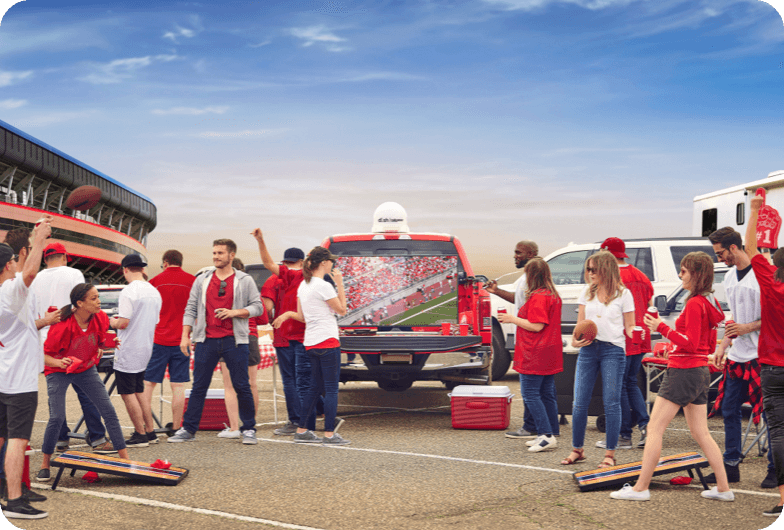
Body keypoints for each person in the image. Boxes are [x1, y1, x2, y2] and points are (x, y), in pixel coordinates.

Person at [611, 251, 732, 502]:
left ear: (696, 274)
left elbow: (690, 343)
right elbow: (703, 345)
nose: (680, 275)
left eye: (684, 271)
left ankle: (641, 488)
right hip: (699, 371)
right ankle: (723, 488)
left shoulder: (696, 303)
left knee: (655, 428)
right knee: (701, 432)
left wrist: (661, 328)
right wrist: (672, 345)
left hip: (685, 371)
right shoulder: (711, 302)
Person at [37, 283, 132, 489]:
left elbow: (97, 341)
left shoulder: (101, 318)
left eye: (98, 297)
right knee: (57, 416)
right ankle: (45, 463)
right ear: (79, 303)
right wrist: (59, 363)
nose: (99, 302)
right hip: (58, 370)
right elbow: (43, 356)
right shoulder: (62, 325)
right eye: (94, 298)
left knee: (108, 410)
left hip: (85, 369)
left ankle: (125, 460)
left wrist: (107, 345)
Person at [168, 239, 264, 445]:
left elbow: (258, 307)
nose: (216, 257)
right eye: (214, 253)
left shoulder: (244, 280)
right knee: (199, 386)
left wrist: (235, 312)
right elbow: (190, 309)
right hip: (206, 340)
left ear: (231, 255)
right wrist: (185, 335)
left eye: (220, 253)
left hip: (235, 340)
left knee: (242, 385)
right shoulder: (202, 280)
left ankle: (248, 429)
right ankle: (189, 429)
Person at [31, 240, 110, 452]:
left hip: (47, 338)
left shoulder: (36, 278)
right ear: (65, 257)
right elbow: (82, 305)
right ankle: (98, 438)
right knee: (86, 390)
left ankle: (60, 438)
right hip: (73, 337)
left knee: (56, 394)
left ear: (45, 259)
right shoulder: (74, 274)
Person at [707, 227, 771, 486]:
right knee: (729, 408)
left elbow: (776, 314)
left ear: (734, 247)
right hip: (738, 354)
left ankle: (775, 469)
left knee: (770, 414)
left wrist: (747, 328)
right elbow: (736, 317)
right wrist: (723, 344)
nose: (720, 258)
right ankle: (731, 465)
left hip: (762, 354)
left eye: (721, 253)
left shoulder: (762, 275)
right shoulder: (730, 277)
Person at [562, 250, 635, 467]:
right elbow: (580, 323)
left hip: (613, 349)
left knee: (611, 403)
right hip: (588, 349)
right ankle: (577, 449)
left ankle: (609, 455)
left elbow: (630, 326)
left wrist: (637, 333)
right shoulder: (587, 292)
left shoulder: (624, 294)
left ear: (606, 269)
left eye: (594, 269)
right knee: (579, 403)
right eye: (588, 269)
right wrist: (574, 341)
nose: (590, 273)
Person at [272, 244, 349, 445]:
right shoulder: (323, 285)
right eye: (330, 260)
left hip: (311, 342)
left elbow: (302, 317)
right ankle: (330, 434)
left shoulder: (303, 285)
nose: (333, 263)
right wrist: (340, 284)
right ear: (324, 263)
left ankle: (302, 430)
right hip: (328, 340)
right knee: (331, 389)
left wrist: (287, 314)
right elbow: (342, 310)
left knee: (313, 388)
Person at [0, 219, 51, 519]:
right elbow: (30, 272)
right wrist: (40, 237)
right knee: (18, 440)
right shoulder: (8, 294)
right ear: (8, 264)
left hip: (4, 376)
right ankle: (15, 502)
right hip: (18, 380)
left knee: (4, 438)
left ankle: (7, 489)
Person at [497, 258, 562, 453]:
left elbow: (536, 325)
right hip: (550, 350)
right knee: (547, 392)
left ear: (531, 275)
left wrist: (512, 319)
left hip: (535, 351)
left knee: (531, 394)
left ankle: (545, 435)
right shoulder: (552, 294)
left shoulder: (539, 297)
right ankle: (551, 430)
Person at [745, 192, 784, 517]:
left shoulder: (771, 283)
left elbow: (750, 250)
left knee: (780, 431)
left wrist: (755, 210)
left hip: (773, 367)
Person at [258, 246, 322, 436]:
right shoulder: (309, 278)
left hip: (284, 335)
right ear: (301, 262)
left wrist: (269, 318)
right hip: (307, 334)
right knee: (306, 378)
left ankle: (295, 420)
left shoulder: (274, 279)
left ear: (283, 262)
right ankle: (318, 411)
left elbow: (266, 309)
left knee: (290, 380)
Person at [599, 237, 653, 449]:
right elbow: (649, 302)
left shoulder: (611, 278)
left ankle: (623, 435)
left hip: (621, 337)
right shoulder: (641, 275)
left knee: (620, 385)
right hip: (639, 335)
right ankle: (646, 427)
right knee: (630, 382)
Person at [484, 240, 541, 439]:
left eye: (519, 252)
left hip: (530, 338)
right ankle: (545, 427)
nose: (515, 256)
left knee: (530, 389)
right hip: (527, 336)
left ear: (531, 254)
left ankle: (533, 427)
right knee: (542, 388)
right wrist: (497, 291)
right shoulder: (526, 278)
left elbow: (532, 311)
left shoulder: (532, 280)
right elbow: (519, 300)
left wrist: (512, 319)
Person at [110, 254, 162, 447]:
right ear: (142, 269)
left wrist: (111, 321)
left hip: (128, 347)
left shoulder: (128, 291)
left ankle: (140, 434)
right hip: (146, 346)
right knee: (139, 390)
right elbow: (155, 321)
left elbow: (123, 322)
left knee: (126, 392)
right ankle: (150, 431)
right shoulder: (154, 291)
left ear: (125, 270)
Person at [144, 250, 196, 437]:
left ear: (165, 262)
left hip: (159, 339)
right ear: (180, 262)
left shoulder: (155, 282)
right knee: (178, 386)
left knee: (149, 384)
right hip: (182, 339)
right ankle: (175, 427)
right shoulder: (192, 282)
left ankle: (146, 427)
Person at [215, 258, 268, 439]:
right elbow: (263, 318)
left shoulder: (219, 291)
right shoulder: (251, 290)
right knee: (251, 384)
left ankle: (234, 428)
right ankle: (250, 427)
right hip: (249, 336)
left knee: (229, 386)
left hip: (227, 337)